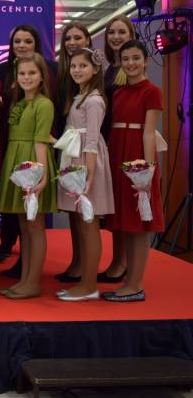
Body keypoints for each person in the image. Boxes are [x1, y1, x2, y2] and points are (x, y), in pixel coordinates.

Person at [0, 25, 57, 275]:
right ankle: (25, 275)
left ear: (42, 76)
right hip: (15, 160)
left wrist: (39, 175)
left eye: (32, 73)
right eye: (22, 73)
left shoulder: (44, 104)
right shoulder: (20, 101)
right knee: (23, 223)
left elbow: (41, 141)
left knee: (34, 225)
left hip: (32, 164)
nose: (27, 77)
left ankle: (33, 279)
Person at [104, 40, 163, 302]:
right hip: (118, 151)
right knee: (126, 222)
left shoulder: (152, 91)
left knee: (140, 223)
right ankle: (129, 280)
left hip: (137, 158)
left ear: (146, 60)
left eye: (136, 58)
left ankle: (136, 284)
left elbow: (149, 134)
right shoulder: (118, 93)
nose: (131, 63)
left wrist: (147, 170)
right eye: (126, 59)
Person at [55, 48, 114, 301]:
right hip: (74, 157)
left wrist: (89, 175)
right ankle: (84, 280)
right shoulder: (80, 96)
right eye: (74, 66)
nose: (77, 70)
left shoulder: (94, 100)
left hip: (86, 163)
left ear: (96, 69)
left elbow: (91, 141)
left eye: (83, 66)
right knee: (81, 224)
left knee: (89, 225)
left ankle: (90, 284)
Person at [53, 21, 92, 283]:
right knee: (73, 213)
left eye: (78, 37)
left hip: (83, 150)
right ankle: (77, 262)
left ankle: (86, 271)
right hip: (66, 146)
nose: (72, 42)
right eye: (68, 38)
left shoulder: (91, 90)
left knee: (84, 213)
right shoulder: (62, 74)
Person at [99, 15, 136, 283]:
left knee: (124, 207)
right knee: (115, 208)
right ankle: (117, 260)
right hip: (110, 141)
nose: (115, 36)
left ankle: (124, 264)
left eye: (121, 32)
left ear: (131, 34)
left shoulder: (129, 70)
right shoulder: (111, 69)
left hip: (124, 142)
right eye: (111, 31)